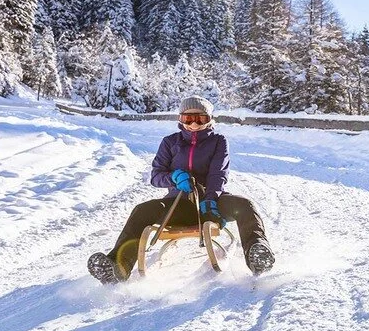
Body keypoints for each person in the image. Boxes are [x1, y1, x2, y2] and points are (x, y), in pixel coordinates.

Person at [87, 96, 275, 284]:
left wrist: (210, 200)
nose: (193, 124)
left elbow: (218, 174)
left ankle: (256, 253)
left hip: (211, 204)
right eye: (188, 119)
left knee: (244, 205)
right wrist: (174, 178)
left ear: (209, 119)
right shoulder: (170, 142)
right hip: (179, 205)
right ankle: (116, 266)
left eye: (199, 119)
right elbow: (155, 176)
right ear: (180, 119)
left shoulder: (218, 141)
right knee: (142, 210)